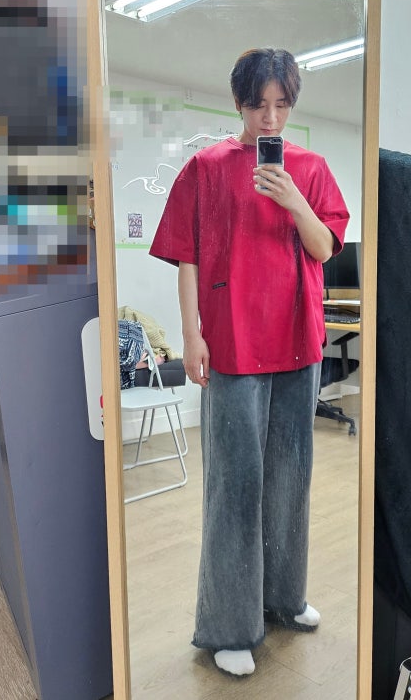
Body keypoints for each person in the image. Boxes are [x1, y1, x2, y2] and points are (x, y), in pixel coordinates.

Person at [149, 48, 350, 676]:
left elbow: (324, 248)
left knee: (290, 480)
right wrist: (191, 335)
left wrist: (294, 200)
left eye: (281, 105)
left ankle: (284, 599)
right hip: (233, 343)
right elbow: (187, 256)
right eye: (259, 105)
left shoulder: (311, 170)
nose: (270, 118)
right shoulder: (206, 168)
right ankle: (229, 627)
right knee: (234, 486)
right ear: (239, 103)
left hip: (297, 343)